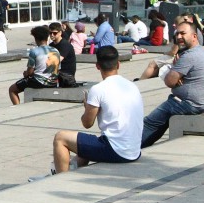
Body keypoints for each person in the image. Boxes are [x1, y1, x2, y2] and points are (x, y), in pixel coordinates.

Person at [51, 46, 143, 174]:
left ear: (97, 66)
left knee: (60, 137)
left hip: (116, 151)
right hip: (134, 150)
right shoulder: (132, 86)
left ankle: (60, 177)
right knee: (85, 145)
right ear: (118, 64)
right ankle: (74, 170)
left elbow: (87, 123)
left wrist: (86, 108)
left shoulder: (98, 89)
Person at [141, 21, 204, 147]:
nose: (179, 37)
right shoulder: (201, 52)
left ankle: (131, 146)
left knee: (150, 122)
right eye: (177, 33)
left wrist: (175, 68)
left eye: (183, 33)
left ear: (194, 36)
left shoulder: (189, 56)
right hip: (198, 102)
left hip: (189, 104)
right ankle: (143, 144)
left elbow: (169, 81)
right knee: (163, 117)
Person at [8, 26, 60, 105]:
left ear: (36, 39)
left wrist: (26, 73)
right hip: (53, 82)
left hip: (39, 81)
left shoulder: (34, 51)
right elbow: (58, 69)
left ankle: (17, 107)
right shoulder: (56, 50)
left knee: (12, 89)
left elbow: (30, 72)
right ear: (47, 37)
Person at [49, 22, 78, 88]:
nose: (52, 35)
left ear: (60, 33)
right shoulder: (51, 45)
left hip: (66, 76)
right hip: (57, 74)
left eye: (54, 33)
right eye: (50, 33)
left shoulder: (65, 45)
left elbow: (56, 61)